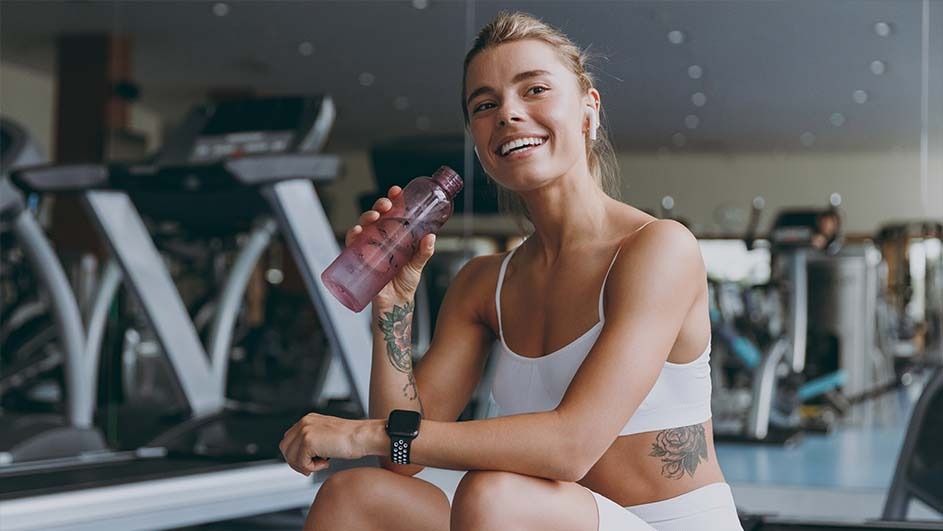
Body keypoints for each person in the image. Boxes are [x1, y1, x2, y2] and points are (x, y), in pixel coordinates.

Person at [280, 11, 743, 530]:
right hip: (531, 518)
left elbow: (570, 449)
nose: (509, 114)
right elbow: (401, 455)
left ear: (589, 109)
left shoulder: (658, 249)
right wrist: (395, 304)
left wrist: (362, 433)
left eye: (535, 90)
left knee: (495, 495)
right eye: (485, 104)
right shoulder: (484, 283)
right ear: (479, 141)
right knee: (354, 494)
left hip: (667, 523)